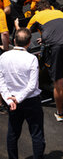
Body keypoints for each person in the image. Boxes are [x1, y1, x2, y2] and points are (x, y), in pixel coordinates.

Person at [22, 0, 63, 122]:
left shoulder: (37, 16)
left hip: (55, 48)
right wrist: (44, 37)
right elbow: (57, 28)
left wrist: (18, 26)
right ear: (50, 7)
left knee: (58, 82)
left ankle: (60, 113)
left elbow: (25, 34)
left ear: (39, 9)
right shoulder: (59, 13)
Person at [0, 28, 46, 159]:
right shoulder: (32, 59)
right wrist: (17, 99)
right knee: (36, 134)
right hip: (31, 101)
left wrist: (10, 100)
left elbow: (1, 82)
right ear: (29, 42)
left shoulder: (3, 57)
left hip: (12, 100)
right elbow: (32, 86)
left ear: (14, 41)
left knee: (13, 133)